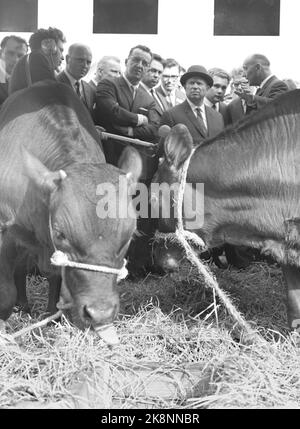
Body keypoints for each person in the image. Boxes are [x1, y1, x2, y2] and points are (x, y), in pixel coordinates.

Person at [95, 44, 160, 183]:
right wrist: (139, 119)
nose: (139, 65)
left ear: (148, 68)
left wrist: (131, 132)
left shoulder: (148, 98)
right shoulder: (108, 84)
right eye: (136, 60)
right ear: (126, 62)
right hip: (107, 159)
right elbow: (112, 112)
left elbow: (154, 128)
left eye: (145, 63)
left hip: (135, 168)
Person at [160, 65, 224, 147]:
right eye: (191, 83)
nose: (195, 87)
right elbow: (165, 150)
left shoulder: (218, 117)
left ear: (207, 88)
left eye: (199, 83)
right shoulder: (171, 115)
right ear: (184, 87)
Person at [9, 27, 66, 95]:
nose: (62, 57)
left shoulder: (30, 60)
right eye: (61, 50)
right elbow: (51, 96)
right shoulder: (36, 60)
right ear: (49, 47)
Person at [57, 43, 95, 116]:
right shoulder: (53, 84)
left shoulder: (89, 89)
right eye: (80, 60)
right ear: (68, 59)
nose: (85, 65)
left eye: (88, 62)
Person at [0, 35, 28, 107]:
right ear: (1, 53)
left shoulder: (28, 79)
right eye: (10, 53)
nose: (15, 60)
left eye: (20, 55)